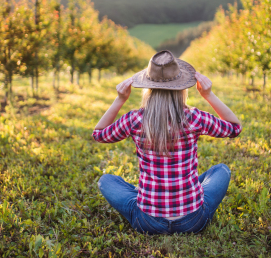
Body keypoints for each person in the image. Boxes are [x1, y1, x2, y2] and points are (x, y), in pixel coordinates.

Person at [92, 50, 242, 235]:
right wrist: (208, 95)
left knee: (106, 180)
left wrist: (120, 99)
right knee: (221, 170)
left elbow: (98, 134)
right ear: (182, 88)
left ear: (148, 87)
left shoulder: (134, 119)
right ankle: (185, 194)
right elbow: (234, 128)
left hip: (148, 222)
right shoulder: (194, 117)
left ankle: (148, 194)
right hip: (192, 221)